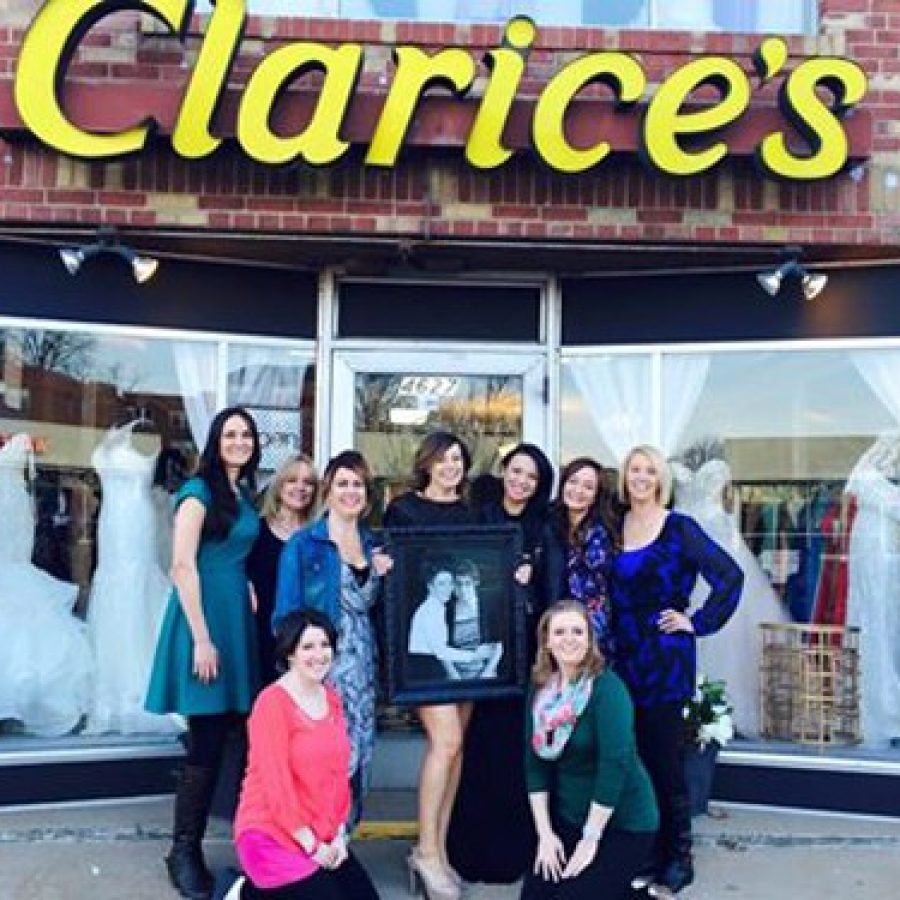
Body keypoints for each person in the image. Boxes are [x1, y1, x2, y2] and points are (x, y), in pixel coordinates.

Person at [609, 445, 743, 895]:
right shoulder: (616, 525)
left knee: (665, 762)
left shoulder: (679, 528)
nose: (641, 478)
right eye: (634, 470)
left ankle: (680, 859)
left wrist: (696, 621)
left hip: (664, 661)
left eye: (650, 471)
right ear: (625, 477)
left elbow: (729, 576)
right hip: (623, 659)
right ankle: (650, 850)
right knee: (637, 762)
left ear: (661, 479)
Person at [145, 406, 263, 900]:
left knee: (239, 735)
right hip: (205, 623)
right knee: (208, 738)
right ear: (215, 441)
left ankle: (251, 844)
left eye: (246, 434)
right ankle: (183, 850)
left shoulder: (243, 492)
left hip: (235, 616)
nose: (239, 441)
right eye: (230, 434)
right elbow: (182, 566)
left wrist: (247, 585)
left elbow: (232, 553)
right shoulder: (197, 492)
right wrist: (201, 637)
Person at [447, 442, 554, 884]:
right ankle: (468, 848)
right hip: (478, 647)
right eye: (516, 471)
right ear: (504, 470)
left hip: (522, 654)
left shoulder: (543, 529)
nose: (521, 481)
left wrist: (529, 582)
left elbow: (550, 594)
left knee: (515, 749)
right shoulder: (478, 514)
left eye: (531, 476)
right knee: (476, 748)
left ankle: (514, 849)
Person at [228, 608, 380, 900]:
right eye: (307, 647)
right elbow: (277, 786)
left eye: (324, 645)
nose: (319, 655)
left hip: (320, 829)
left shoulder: (331, 698)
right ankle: (245, 893)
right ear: (290, 654)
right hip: (270, 834)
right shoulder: (272, 704)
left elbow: (338, 774)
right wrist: (311, 845)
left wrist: (338, 835)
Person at [273, 450, 392, 820]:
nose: (350, 491)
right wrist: (302, 666)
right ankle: (314, 843)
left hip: (363, 668)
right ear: (328, 490)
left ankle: (342, 839)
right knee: (320, 756)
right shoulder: (304, 543)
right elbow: (285, 614)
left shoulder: (376, 546)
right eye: (342, 483)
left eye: (358, 484)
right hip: (322, 665)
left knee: (357, 758)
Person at [383, 431, 473, 900]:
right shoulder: (403, 510)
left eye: (458, 458)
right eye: (442, 459)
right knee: (447, 741)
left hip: (465, 640)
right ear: (427, 464)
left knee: (455, 749)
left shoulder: (471, 512)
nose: (451, 466)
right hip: (423, 640)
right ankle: (426, 851)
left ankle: (438, 848)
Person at [520, 600, 659, 900]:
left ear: (589, 639)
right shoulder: (542, 691)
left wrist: (590, 838)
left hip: (624, 823)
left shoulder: (607, 690)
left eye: (577, 631)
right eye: (559, 632)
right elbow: (535, 765)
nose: (569, 639)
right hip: (571, 818)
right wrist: (545, 835)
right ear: (546, 641)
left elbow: (615, 764)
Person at [247, 454, 318, 686]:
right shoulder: (256, 530)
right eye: (292, 480)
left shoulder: (319, 535)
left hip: (306, 638)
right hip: (261, 633)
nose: (300, 487)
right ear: (279, 486)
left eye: (308, 483)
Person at [540, 457, 618, 657]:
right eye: (573, 481)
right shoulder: (550, 523)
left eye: (588, 486)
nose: (578, 490)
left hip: (591, 628)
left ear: (596, 496)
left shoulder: (600, 534)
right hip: (556, 623)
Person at [407, 558, 502, 681]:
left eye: (467, 583)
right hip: (456, 675)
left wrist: (487, 672)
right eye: (458, 584)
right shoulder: (446, 610)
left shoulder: (488, 605)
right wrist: (455, 677)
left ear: (475, 582)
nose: (462, 590)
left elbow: (499, 645)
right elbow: (441, 650)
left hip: (486, 672)